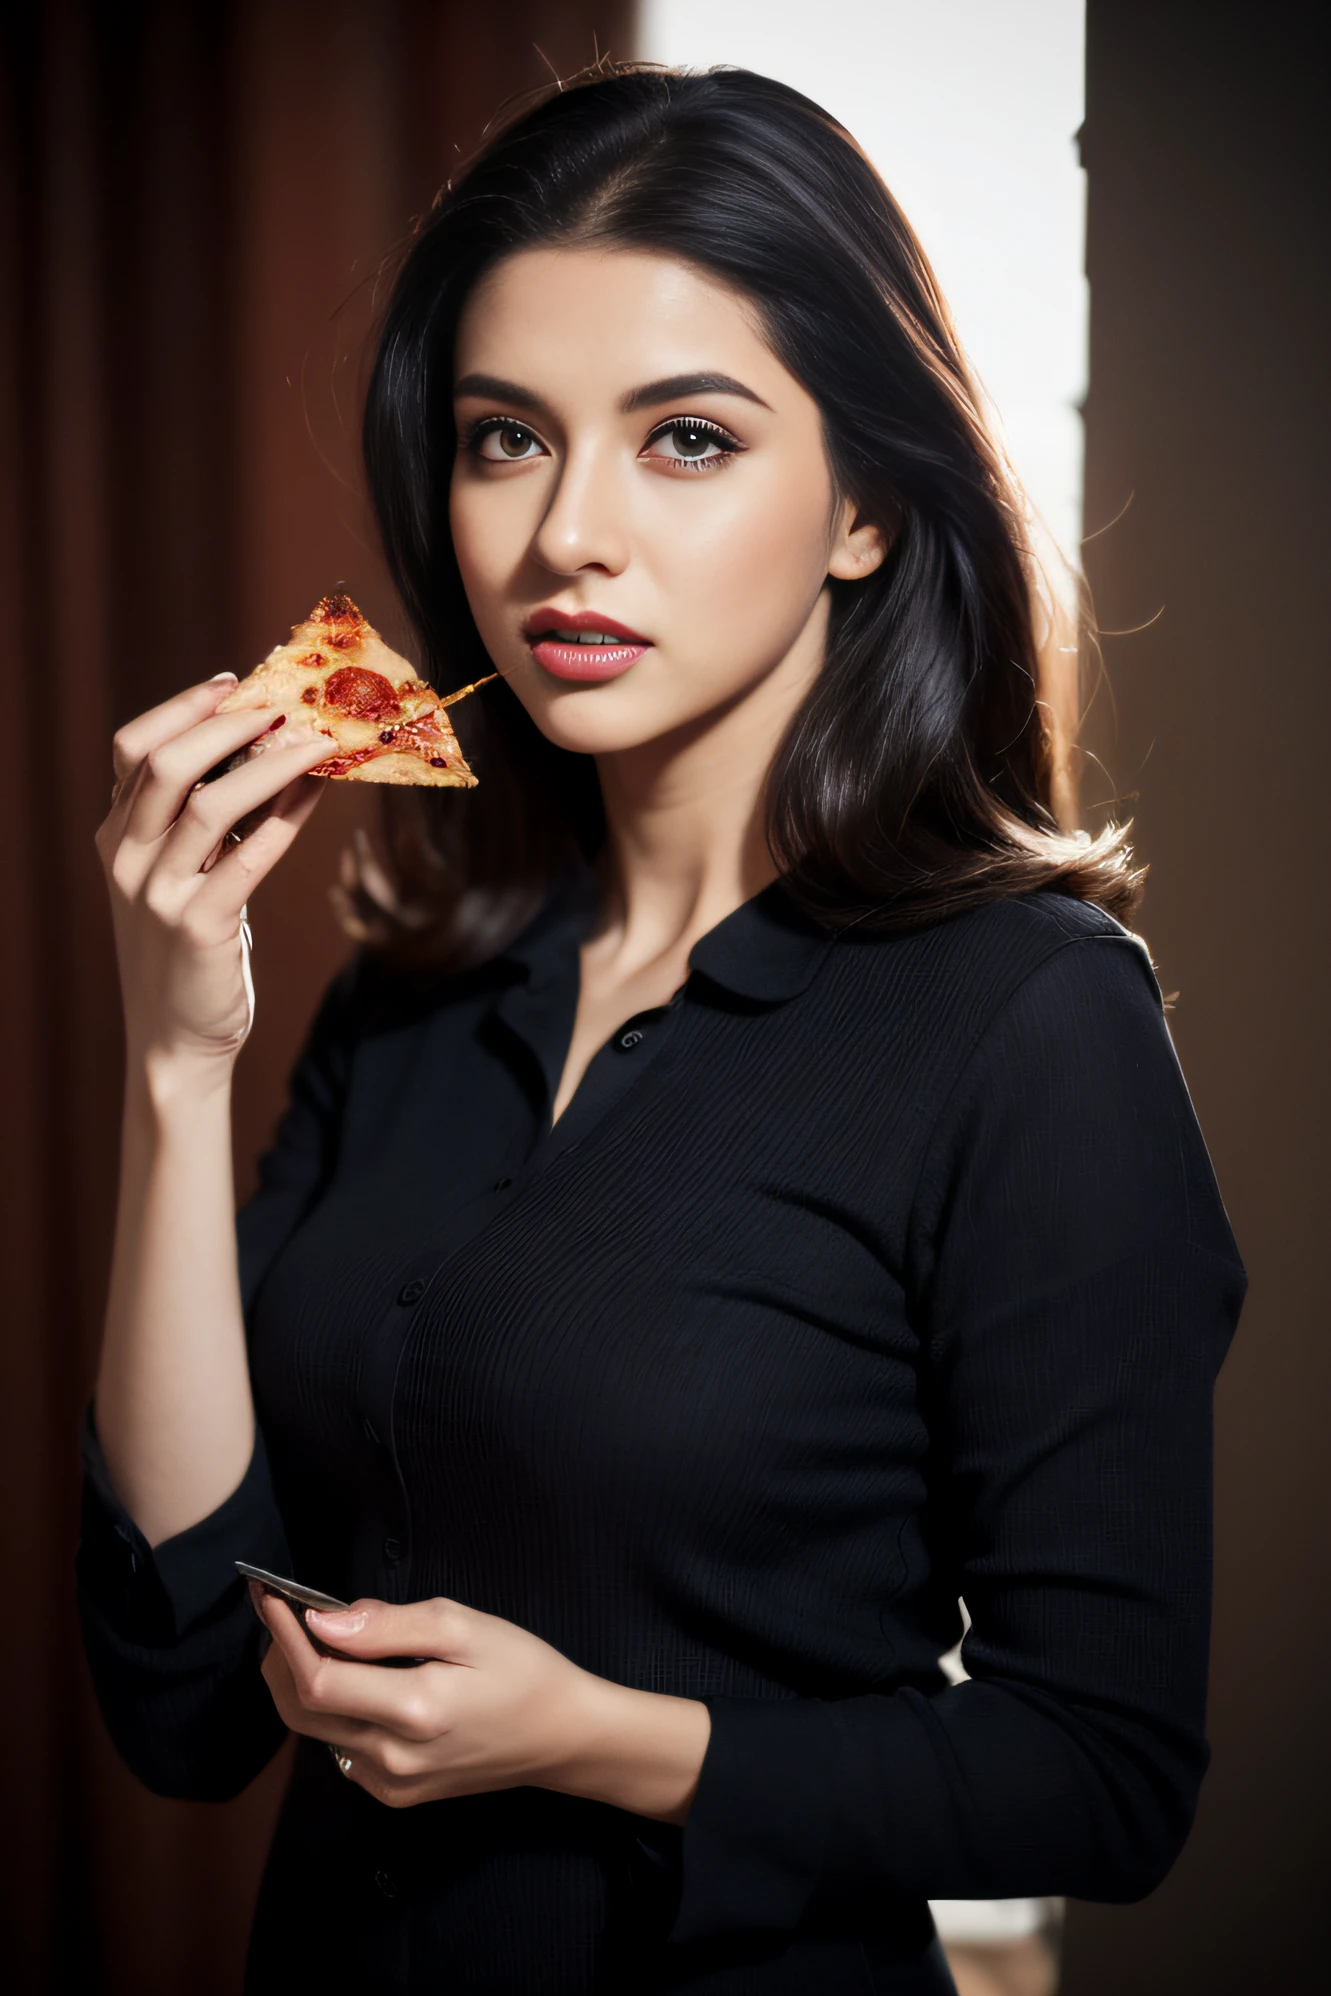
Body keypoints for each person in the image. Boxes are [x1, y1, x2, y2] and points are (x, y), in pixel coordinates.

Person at [77, 65, 1245, 1996]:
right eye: (505, 440)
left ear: (866, 502)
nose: (566, 539)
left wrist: (602, 1740)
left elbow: (1104, 1777)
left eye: (685, 440)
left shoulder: (1030, 1024)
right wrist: (172, 1063)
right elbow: (185, 1698)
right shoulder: (417, 981)